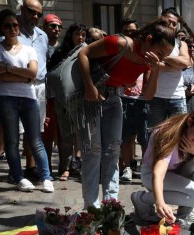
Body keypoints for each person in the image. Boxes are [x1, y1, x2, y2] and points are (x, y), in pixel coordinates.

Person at [76, 18, 174, 209]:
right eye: (160, 53)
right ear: (148, 39)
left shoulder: (149, 61)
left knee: (113, 151)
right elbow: (84, 53)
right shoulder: (120, 43)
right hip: (91, 98)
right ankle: (91, 207)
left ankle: (110, 205)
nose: (160, 59)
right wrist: (89, 87)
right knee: (93, 152)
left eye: (164, 57)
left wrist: (155, 70)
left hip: (114, 98)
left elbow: (147, 95)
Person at [0, 0, 49, 182]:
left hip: (37, 86)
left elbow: (39, 66)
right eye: (31, 12)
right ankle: (15, 173)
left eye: (39, 14)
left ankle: (31, 167)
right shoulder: (9, 24)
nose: (35, 17)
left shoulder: (42, 35)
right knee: (14, 134)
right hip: (10, 88)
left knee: (34, 132)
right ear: (22, 9)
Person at [0, 8, 53, 192]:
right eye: (7, 26)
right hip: (6, 98)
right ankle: (19, 177)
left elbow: (33, 73)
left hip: (29, 97)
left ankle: (46, 177)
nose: (12, 28)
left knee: (35, 140)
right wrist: (22, 75)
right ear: (1, 28)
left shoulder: (29, 49)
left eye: (15, 25)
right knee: (12, 141)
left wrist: (9, 68)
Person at [130, 107, 194, 226]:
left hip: (174, 171)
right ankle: (142, 198)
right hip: (152, 174)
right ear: (189, 122)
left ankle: (185, 213)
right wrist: (160, 202)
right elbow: (159, 173)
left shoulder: (192, 136)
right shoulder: (169, 134)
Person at [48, 22, 86, 181]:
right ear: (71, 35)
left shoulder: (87, 51)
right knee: (65, 135)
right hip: (62, 100)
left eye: (83, 35)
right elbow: (53, 74)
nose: (80, 37)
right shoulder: (60, 52)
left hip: (81, 100)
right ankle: (64, 168)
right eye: (77, 34)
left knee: (81, 135)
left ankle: (77, 165)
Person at [146, 8, 191, 132]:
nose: (171, 26)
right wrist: (173, 65)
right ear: (160, 20)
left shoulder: (181, 44)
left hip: (177, 98)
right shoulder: (152, 42)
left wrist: (160, 61)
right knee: (154, 136)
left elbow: (185, 62)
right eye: (168, 22)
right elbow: (149, 63)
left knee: (178, 135)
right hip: (155, 98)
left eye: (174, 24)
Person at [119, 18, 147, 182]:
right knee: (126, 137)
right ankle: (127, 168)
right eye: (126, 31)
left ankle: (145, 169)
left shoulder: (143, 50)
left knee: (144, 138)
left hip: (143, 99)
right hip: (124, 98)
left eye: (132, 31)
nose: (130, 33)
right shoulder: (121, 50)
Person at [41, 13, 63, 176]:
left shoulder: (64, 48)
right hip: (44, 96)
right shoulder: (39, 47)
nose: (56, 29)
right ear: (44, 27)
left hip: (61, 97)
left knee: (63, 133)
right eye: (52, 26)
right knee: (46, 133)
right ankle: (46, 167)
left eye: (59, 26)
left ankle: (64, 168)